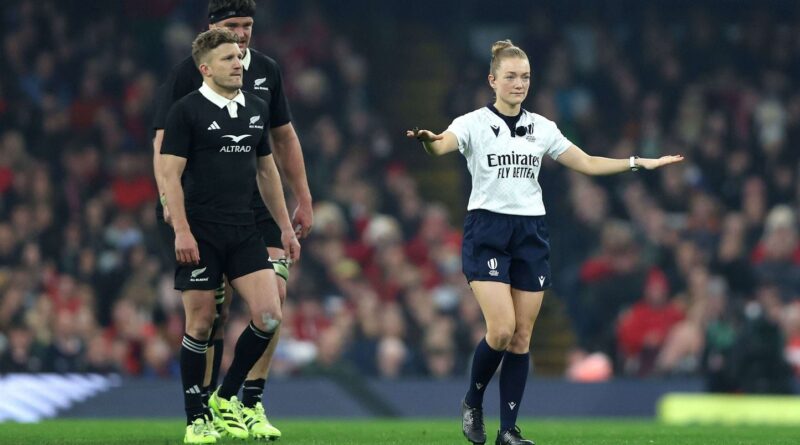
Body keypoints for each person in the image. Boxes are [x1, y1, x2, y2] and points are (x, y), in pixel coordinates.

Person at [407, 40, 683, 445]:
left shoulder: (543, 127)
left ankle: (508, 431)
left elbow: (586, 162)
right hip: (487, 230)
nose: (519, 84)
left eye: (526, 77)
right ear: (492, 80)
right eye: (511, 77)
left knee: (522, 337)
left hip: (530, 233)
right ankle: (472, 400)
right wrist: (430, 140)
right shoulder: (472, 123)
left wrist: (637, 162)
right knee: (500, 330)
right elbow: (442, 145)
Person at [152, 0, 313, 439]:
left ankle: (239, 398)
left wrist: (293, 212)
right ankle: (198, 413)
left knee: (271, 311)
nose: (241, 42)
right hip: (201, 220)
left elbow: (272, 159)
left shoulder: (260, 93)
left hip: (248, 220)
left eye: (247, 27)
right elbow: (166, 159)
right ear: (206, 63)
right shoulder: (185, 97)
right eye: (232, 32)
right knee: (206, 320)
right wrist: (175, 213)